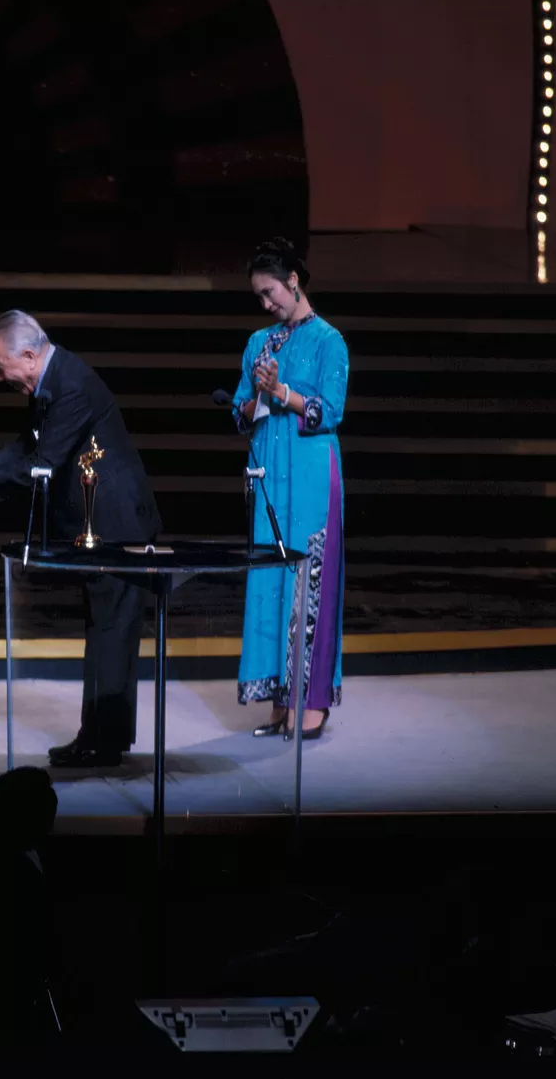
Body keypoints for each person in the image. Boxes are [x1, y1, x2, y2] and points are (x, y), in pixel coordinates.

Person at [0, 309, 161, 768]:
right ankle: (98, 737)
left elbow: (44, 462)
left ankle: (104, 743)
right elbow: (27, 447)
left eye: (1, 366)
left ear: (28, 356)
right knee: (104, 630)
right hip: (98, 525)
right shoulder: (51, 380)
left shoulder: (71, 385)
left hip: (117, 525)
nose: (0, 377)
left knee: (111, 631)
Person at [232, 239, 348, 740]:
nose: (265, 303)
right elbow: (241, 414)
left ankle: (312, 702)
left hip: (310, 474)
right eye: (259, 296)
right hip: (269, 473)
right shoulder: (258, 342)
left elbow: (329, 411)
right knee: (272, 580)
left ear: (293, 281)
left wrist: (283, 392)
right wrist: (260, 394)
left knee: (308, 582)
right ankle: (280, 700)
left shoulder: (329, 341)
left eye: (270, 292)